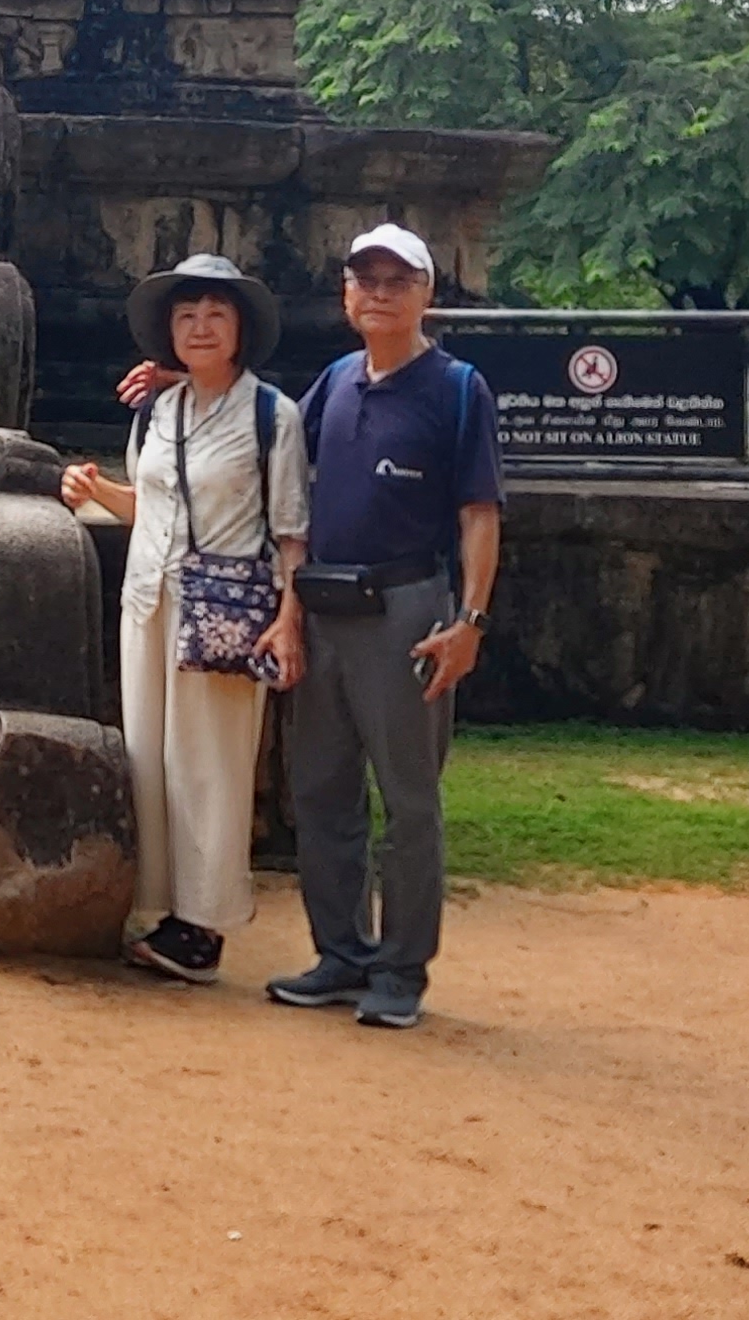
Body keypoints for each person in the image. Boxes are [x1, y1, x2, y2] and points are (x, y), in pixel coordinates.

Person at [135, 224, 500, 1029]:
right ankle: (341, 953)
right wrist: (186, 376)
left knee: (408, 801)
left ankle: (400, 970)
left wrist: (470, 620)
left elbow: (480, 512)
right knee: (322, 793)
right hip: (324, 605)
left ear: (426, 294)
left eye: (397, 281)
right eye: (365, 280)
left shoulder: (457, 388)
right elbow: (264, 444)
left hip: (407, 607)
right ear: (345, 294)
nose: (379, 294)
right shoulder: (337, 382)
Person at [59, 254, 308, 986]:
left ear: (241, 330)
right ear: (169, 332)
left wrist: (288, 619)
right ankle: (159, 906)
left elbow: (292, 530)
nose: (201, 328)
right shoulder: (157, 411)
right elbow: (149, 507)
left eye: (216, 315)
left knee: (211, 764)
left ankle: (204, 924)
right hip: (151, 602)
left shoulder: (271, 416)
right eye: (187, 316)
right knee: (150, 757)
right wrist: (92, 488)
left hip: (225, 608)